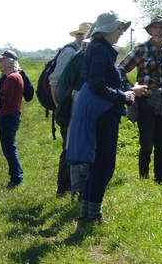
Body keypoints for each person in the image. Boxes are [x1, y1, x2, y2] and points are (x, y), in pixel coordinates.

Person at [66, 11, 147, 229]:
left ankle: (87, 215)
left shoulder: (98, 48)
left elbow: (106, 81)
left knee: (98, 165)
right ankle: (91, 216)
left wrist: (131, 89)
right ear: (107, 29)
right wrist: (124, 96)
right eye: (119, 28)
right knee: (104, 165)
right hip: (101, 112)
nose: (121, 32)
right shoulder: (100, 49)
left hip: (98, 110)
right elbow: (97, 85)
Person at [119, 16, 162, 183]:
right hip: (145, 101)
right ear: (150, 30)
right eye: (155, 27)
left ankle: (160, 180)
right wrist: (132, 89)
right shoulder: (140, 50)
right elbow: (120, 71)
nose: (158, 31)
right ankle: (144, 178)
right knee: (146, 143)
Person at [49, 22, 92, 196]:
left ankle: (72, 187)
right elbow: (54, 81)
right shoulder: (70, 52)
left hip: (72, 106)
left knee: (72, 147)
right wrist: (59, 107)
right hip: (67, 107)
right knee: (69, 148)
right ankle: (64, 188)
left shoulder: (79, 52)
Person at [0, 50, 24, 189]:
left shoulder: (12, 78)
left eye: (2, 60)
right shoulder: (15, 76)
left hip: (7, 116)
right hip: (11, 115)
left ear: (10, 62)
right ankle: (17, 175)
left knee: (9, 148)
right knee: (10, 147)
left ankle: (16, 178)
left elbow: (6, 101)